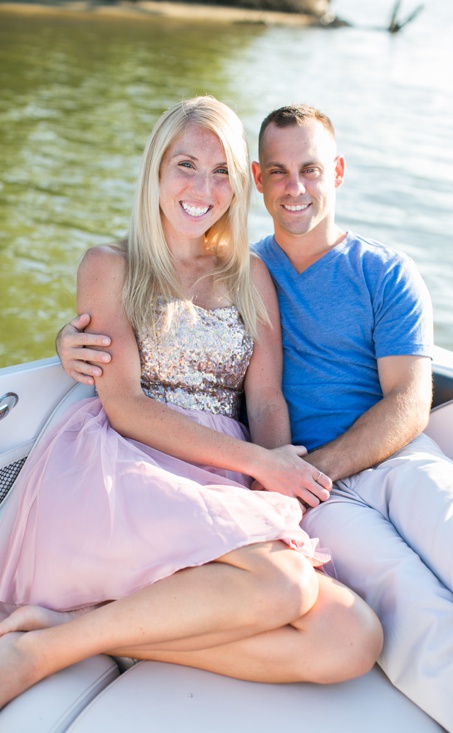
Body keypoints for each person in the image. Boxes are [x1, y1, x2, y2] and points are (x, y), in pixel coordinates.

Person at [57, 103, 453, 733]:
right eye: (279, 172)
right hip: (298, 481)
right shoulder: (242, 267)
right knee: (412, 607)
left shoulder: (383, 272)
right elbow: (141, 348)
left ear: (336, 172)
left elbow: (406, 402)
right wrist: (69, 341)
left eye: (310, 169)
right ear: (258, 180)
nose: (295, 188)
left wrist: (306, 473)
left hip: (377, 458)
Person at [0, 97, 383, 709]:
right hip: (128, 464)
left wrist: (271, 473)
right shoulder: (110, 265)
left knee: (351, 639)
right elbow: (123, 405)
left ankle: (73, 630)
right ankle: (34, 655)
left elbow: (264, 398)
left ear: (238, 183)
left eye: (222, 170)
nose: (202, 188)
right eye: (186, 164)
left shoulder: (249, 274)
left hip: (222, 474)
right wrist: (258, 464)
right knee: (284, 588)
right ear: (156, 169)